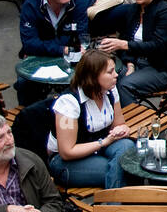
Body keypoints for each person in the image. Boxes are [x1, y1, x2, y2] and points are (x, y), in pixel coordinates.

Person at [46, 49, 136, 190]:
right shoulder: (69, 103)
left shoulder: (110, 90)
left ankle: (117, 207)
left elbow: (119, 124)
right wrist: (104, 142)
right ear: (93, 77)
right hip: (66, 161)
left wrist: (122, 130)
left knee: (128, 149)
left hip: (99, 148)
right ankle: (115, 210)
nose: (116, 75)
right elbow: (67, 152)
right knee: (116, 169)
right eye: (110, 72)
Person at [99, 0, 167, 105]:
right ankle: (108, 120)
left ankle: (133, 122)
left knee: (124, 85)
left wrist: (124, 45)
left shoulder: (166, 12)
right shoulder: (133, 10)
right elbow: (126, 38)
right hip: (137, 63)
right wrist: (130, 63)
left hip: (161, 68)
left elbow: (158, 46)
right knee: (102, 77)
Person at [19, 0, 90, 60]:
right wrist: (63, 49)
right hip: (39, 58)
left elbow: (81, 38)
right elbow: (29, 44)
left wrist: (44, 45)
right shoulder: (31, 5)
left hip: (69, 57)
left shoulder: (78, 3)